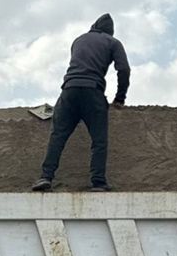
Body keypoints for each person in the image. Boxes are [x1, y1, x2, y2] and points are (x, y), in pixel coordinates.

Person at [32, 13, 131, 192]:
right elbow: (123, 69)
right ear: (111, 31)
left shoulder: (78, 40)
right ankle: (98, 182)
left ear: (93, 26)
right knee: (99, 140)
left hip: (68, 91)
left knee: (57, 136)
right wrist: (120, 98)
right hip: (93, 92)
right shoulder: (113, 43)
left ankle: (45, 177)